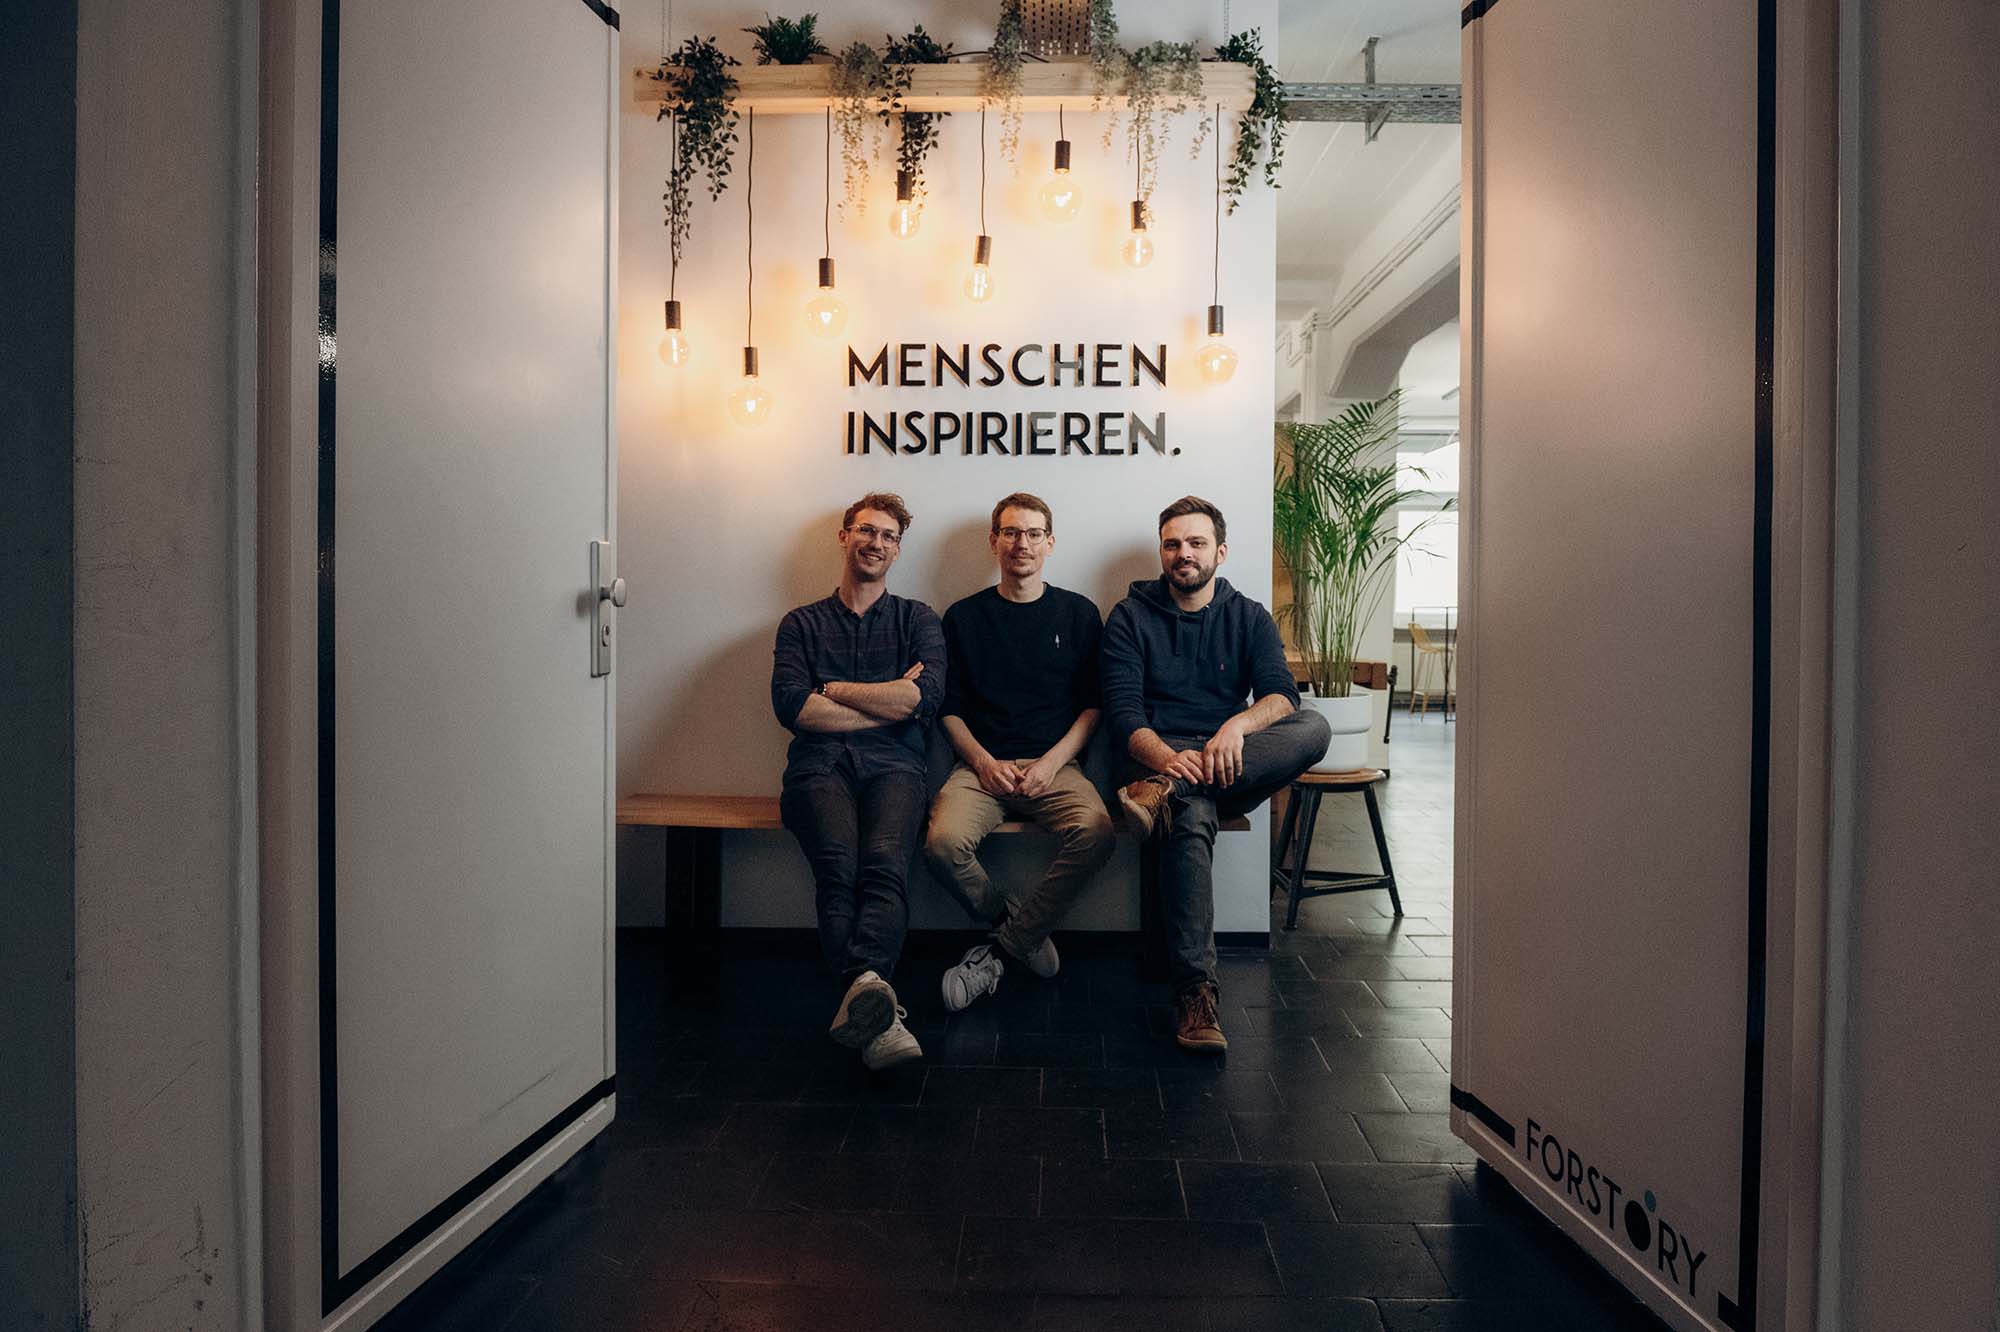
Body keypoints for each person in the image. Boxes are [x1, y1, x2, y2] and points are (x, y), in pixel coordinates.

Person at [1100, 495, 1332, 1053]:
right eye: (1173, 544)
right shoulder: (1130, 617)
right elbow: (1123, 714)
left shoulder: (1248, 615)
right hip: (1153, 758)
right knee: (1190, 815)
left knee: (1315, 726)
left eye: (1196, 543)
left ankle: (1170, 792)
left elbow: (1282, 695)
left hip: (1229, 760)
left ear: (1220, 552)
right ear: (1162, 552)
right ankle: (1196, 994)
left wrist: (1236, 727)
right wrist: (1165, 760)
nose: (1184, 553)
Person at [770, 492, 945, 1071]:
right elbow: (793, 707)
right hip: (818, 767)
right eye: (867, 530)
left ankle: (865, 994)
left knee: (886, 863)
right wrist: (888, 701)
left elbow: (923, 699)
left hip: (897, 766)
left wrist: (833, 689)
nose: (877, 543)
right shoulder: (801, 624)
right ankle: (876, 1004)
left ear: (898, 549)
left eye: (889, 536)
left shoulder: (918, 620)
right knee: (838, 867)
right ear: (844, 536)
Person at [925, 493, 1115, 1011]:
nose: (1021, 544)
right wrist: (983, 763)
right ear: (994, 542)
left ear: (1050, 543)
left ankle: (1004, 949)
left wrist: (1051, 763)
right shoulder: (963, 617)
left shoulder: (1078, 613)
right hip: (979, 766)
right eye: (1010, 533)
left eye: (1033, 533)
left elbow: (1093, 706)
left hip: (1056, 765)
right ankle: (1010, 921)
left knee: (1097, 832)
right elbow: (948, 708)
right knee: (941, 845)